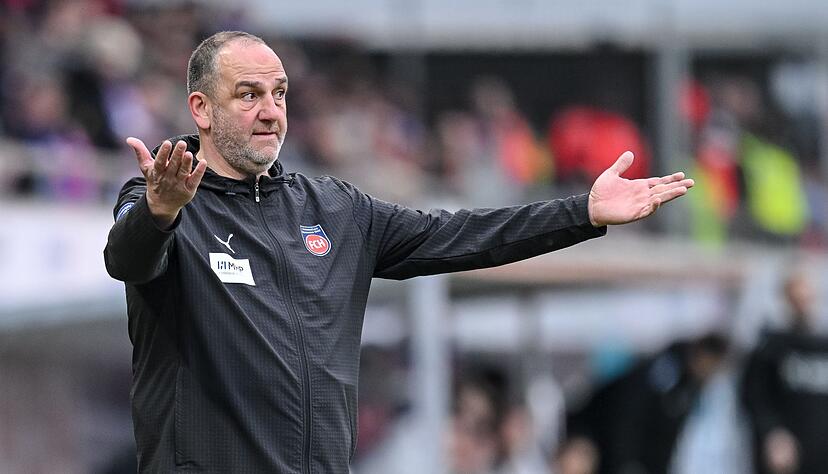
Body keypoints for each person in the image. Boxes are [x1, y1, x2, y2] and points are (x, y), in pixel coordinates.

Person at [103, 31, 694, 473]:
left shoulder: (334, 210)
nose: (270, 110)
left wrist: (581, 212)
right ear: (201, 109)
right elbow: (126, 261)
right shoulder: (164, 200)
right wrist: (160, 212)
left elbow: (461, 236)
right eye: (248, 94)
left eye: (279, 94)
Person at [742, 270, 828, 474]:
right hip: (786, 451)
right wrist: (772, 433)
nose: (802, 304)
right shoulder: (771, 347)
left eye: (806, 297)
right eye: (796, 298)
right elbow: (754, 396)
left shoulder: (822, 345)